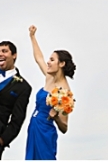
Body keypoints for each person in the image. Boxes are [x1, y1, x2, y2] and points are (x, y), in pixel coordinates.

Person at [24, 26, 76, 160]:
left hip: (45, 130)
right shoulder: (49, 76)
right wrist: (32, 37)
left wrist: (56, 117)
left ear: (62, 64)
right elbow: (39, 58)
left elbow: (64, 128)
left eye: (52, 60)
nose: (48, 62)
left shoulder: (65, 92)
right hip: (34, 126)